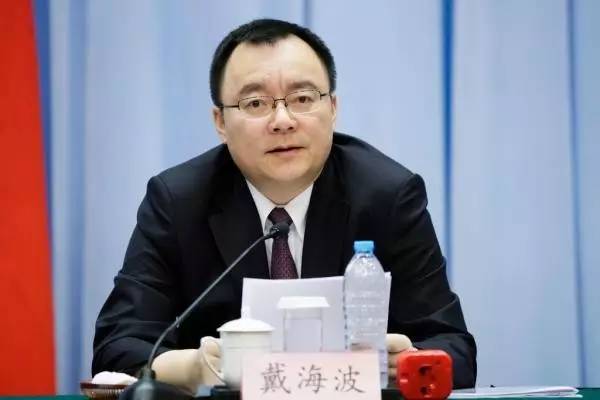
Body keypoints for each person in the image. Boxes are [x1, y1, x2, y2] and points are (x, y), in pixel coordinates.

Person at [92, 18, 476, 393]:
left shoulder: (387, 196)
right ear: (220, 121)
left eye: (303, 99)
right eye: (255, 103)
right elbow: (116, 349)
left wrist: (407, 363)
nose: (282, 120)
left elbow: (455, 350)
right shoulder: (179, 202)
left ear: (333, 107)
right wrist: (193, 368)